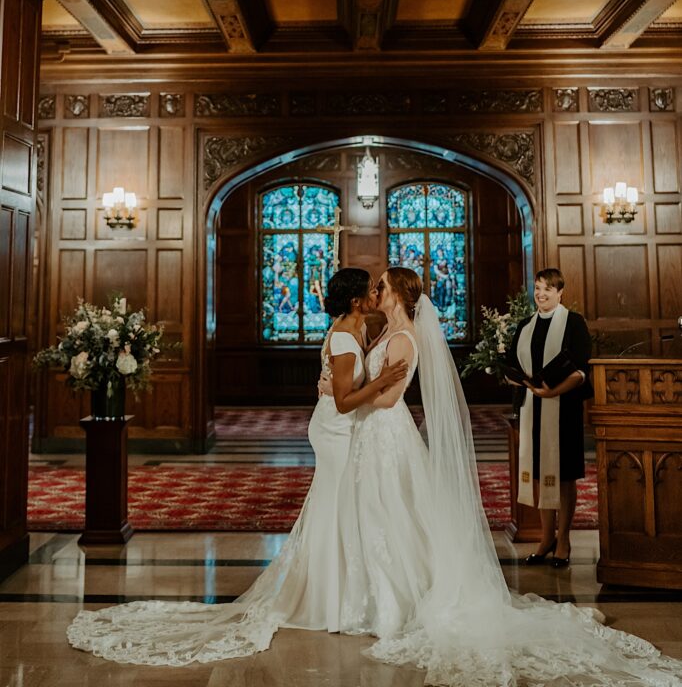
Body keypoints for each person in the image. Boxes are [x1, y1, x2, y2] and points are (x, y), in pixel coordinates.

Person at [68, 268, 682, 686]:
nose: (377, 289)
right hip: (365, 434)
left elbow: (387, 402)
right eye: (374, 286)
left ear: (396, 296)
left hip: (382, 436)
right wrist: (370, 385)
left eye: (384, 285)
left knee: (389, 516)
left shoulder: (402, 339)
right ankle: (352, 591)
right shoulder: (377, 332)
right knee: (372, 515)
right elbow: (356, 391)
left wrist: (382, 386)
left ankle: (384, 600)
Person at [66, 267, 408, 664]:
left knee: (338, 508)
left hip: (341, 427)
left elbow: (339, 384)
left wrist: (346, 381)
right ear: (354, 301)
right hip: (336, 431)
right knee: (333, 507)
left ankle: (338, 595)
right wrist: (382, 381)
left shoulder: (355, 327)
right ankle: (326, 600)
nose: (373, 296)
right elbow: (346, 401)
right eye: (369, 291)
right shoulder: (347, 336)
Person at [507, 268, 593, 567]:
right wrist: (517, 379)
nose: (541, 294)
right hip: (533, 407)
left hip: (563, 409)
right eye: (538, 288)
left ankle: (564, 539)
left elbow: (582, 368)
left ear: (560, 292)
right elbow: (513, 364)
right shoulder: (525, 326)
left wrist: (553, 391)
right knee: (542, 472)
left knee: (565, 476)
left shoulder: (574, 323)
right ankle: (546, 538)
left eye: (548, 289)